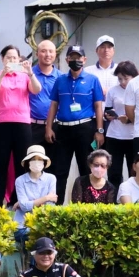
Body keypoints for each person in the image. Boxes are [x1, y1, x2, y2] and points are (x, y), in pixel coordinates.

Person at [45, 44, 104, 203]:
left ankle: (87, 205)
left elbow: (98, 106)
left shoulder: (92, 80)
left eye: (78, 57)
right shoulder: (60, 80)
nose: (75, 60)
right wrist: (48, 127)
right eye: (72, 57)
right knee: (60, 170)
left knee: (85, 169)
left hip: (85, 129)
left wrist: (100, 130)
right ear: (67, 59)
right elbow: (54, 105)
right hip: (63, 129)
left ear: (84, 60)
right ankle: (57, 207)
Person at [0, 44, 40, 207]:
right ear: (2, 59)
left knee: (21, 164)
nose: (11, 60)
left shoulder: (24, 76)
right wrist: (3, 74)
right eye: (8, 57)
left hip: (22, 124)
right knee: (0, 164)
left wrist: (30, 74)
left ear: (19, 59)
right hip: (1, 125)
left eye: (15, 57)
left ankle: (18, 202)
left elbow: (37, 90)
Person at [104, 60, 139, 179]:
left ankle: (132, 197)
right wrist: (108, 115)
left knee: (134, 170)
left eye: (126, 78)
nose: (123, 82)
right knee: (114, 172)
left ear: (134, 76)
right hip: (115, 135)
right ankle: (114, 196)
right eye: (120, 79)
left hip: (133, 136)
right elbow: (108, 108)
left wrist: (129, 119)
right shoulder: (113, 90)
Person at [12, 145, 57, 238]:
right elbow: (24, 206)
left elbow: (49, 206)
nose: (37, 162)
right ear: (28, 162)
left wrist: (28, 203)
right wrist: (46, 198)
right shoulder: (20, 180)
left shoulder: (51, 178)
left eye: (40, 159)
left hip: (44, 224)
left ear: (44, 162)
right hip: (22, 226)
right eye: (33, 159)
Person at [29, 39, 63, 153]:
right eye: (43, 51)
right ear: (36, 54)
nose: (48, 54)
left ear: (55, 54)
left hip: (56, 126)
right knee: (31, 163)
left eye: (51, 51)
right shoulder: (28, 74)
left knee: (54, 165)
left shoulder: (62, 77)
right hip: (32, 126)